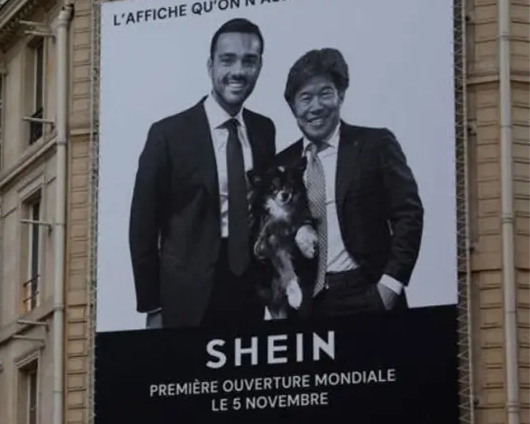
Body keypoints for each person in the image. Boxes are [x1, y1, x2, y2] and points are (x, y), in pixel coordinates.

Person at [128, 17, 277, 329]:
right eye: (228, 60)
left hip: (250, 289)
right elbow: (143, 226)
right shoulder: (168, 134)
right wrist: (152, 304)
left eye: (249, 61)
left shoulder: (264, 130)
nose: (238, 71)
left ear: (260, 67)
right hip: (186, 296)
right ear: (211, 65)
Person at [276, 47, 423, 317]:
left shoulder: (375, 145)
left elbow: (408, 214)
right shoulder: (281, 164)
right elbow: (271, 231)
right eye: (305, 98)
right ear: (293, 107)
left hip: (367, 291)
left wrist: (390, 286)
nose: (315, 106)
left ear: (340, 95)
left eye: (325, 93)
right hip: (308, 304)